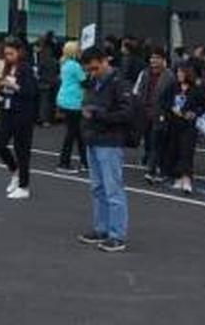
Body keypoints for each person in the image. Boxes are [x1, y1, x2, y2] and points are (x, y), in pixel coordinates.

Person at [76, 46, 135, 253]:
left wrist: (98, 114)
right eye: (88, 70)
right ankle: (101, 228)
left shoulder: (119, 83)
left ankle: (117, 235)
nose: (92, 72)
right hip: (94, 138)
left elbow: (127, 113)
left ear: (105, 61)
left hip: (110, 141)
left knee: (113, 190)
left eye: (95, 68)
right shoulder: (94, 82)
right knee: (98, 188)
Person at [0, 37, 39, 200]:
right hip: (6, 110)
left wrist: (14, 86)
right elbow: (1, 92)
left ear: (19, 52)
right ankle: (15, 171)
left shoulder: (26, 68)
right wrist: (2, 86)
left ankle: (23, 186)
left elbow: (31, 92)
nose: (8, 56)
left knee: (22, 150)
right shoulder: (7, 67)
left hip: (23, 113)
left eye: (11, 53)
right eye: (6, 54)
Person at [159, 63, 205, 194]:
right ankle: (178, 177)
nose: (179, 74)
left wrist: (194, 113)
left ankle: (187, 179)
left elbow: (204, 106)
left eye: (181, 72)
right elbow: (163, 101)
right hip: (173, 123)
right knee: (174, 150)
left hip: (188, 125)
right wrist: (171, 108)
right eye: (178, 72)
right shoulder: (173, 87)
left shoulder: (196, 89)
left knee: (187, 151)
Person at [134, 47, 174, 183]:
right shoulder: (145, 73)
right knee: (148, 142)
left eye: (157, 58)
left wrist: (166, 112)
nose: (153, 60)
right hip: (145, 113)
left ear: (163, 60)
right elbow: (139, 91)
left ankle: (151, 170)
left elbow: (171, 96)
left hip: (161, 113)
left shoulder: (169, 76)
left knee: (157, 142)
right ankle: (155, 166)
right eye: (152, 58)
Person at [55, 40, 88, 174]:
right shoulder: (75, 65)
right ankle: (64, 163)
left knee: (77, 133)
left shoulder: (65, 64)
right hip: (74, 101)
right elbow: (85, 82)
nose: (81, 52)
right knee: (73, 133)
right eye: (79, 50)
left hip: (65, 99)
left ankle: (85, 161)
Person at [35, 31, 60, 127]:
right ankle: (49, 118)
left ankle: (44, 119)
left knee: (44, 101)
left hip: (44, 80)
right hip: (52, 79)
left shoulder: (42, 54)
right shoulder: (53, 54)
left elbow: (40, 69)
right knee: (50, 101)